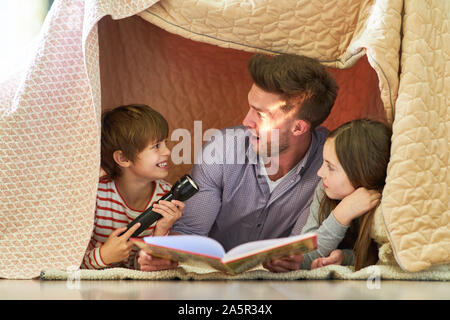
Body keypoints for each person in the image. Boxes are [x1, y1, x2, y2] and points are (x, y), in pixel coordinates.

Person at [138, 53, 339, 272]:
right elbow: (188, 231)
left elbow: (304, 248)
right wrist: (166, 255)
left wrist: (298, 260)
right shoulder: (221, 149)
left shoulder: (330, 167)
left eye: (260, 115)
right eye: (250, 107)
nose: (246, 121)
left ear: (298, 128)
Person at [263, 119, 392, 272]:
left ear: (361, 173)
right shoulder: (324, 190)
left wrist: (341, 215)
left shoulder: (385, 205)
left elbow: (383, 259)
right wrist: (344, 257)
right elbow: (306, 254)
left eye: (330, 167)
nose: (320, 173)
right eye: (323, 163)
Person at [81, 104, 185, 270]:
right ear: (123, 158)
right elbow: (71, 262)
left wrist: (162, 230)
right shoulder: (95, 196)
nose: (168, 151)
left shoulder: (166, 194)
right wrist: (103, 255)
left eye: (165, 143)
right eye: (156, 146)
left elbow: (146, 267)